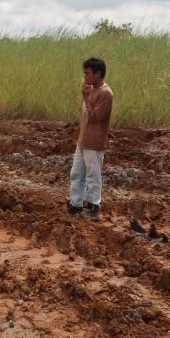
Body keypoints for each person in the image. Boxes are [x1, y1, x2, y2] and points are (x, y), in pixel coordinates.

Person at [67, 57, 114, 218]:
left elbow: (95, 117)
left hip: (94, 142)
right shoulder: (92, 89)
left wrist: (85, 97)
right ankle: (76, 203)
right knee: (77, 173)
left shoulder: (105, 93)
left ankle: (94, 204)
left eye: (88, 73)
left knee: (93, 175)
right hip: (84, 139)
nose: (85, 77)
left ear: (98, 74)